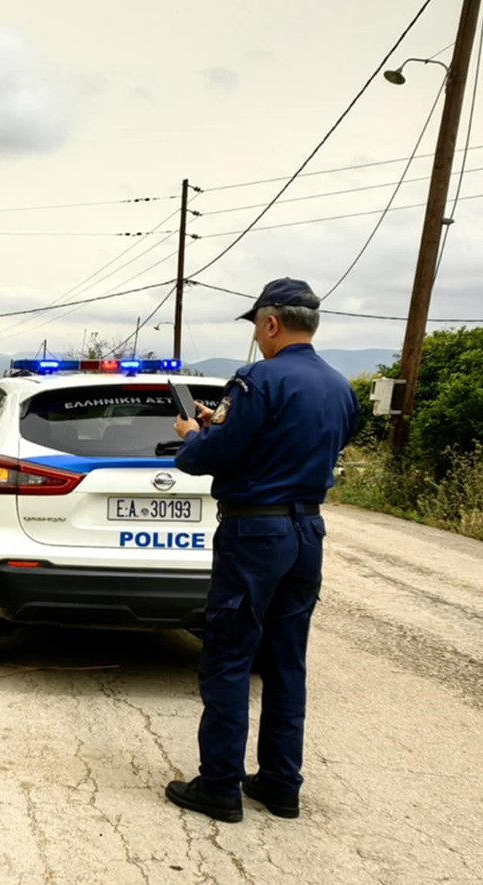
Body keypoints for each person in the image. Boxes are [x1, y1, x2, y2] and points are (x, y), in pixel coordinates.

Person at [163, 277, 359, 822]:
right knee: (285, 660)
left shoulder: (256, 380)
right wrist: (222, 427)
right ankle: (279, 783)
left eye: (256, 327)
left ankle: (220, 785)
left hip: (255, 536)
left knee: (229, 655)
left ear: (271, 323)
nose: (257, 337)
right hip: (307, 534)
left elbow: (206, 458)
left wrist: (193, 431)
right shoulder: (341, 388)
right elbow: (296, 446)